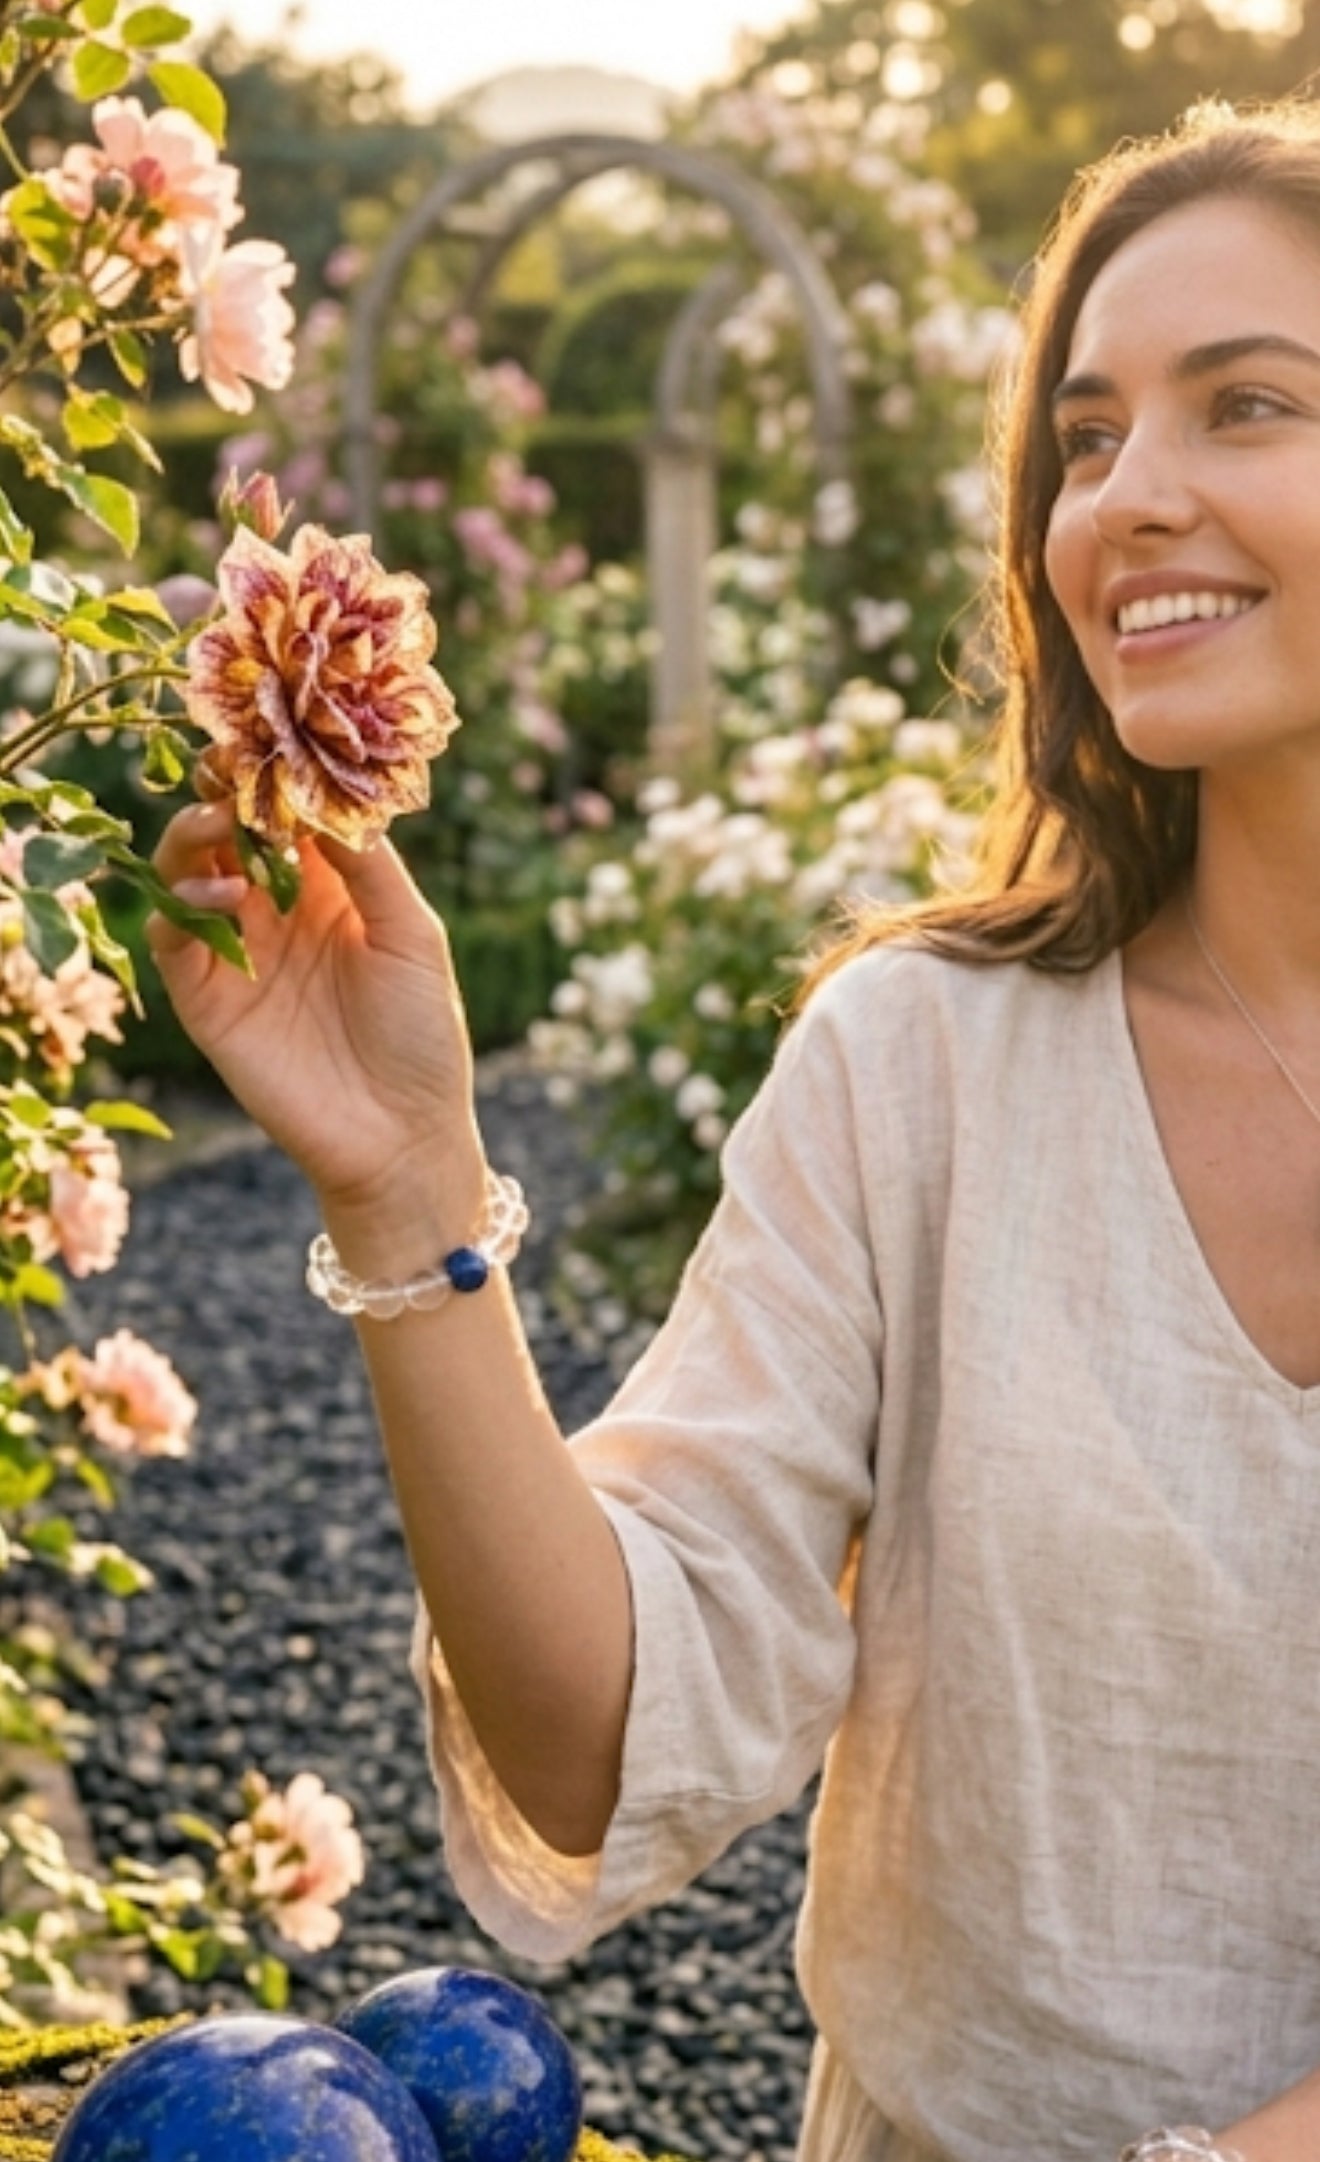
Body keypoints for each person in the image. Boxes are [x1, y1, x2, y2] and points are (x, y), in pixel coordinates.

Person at [147, 94, 1320, 2162]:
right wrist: (409, 1178)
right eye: (1086, 434)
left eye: (1247, 404)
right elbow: (596, 1741)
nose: (1130, 493)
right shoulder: (923, 1067)